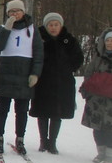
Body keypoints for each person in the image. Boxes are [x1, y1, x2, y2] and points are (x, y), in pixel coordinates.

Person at [0, 0, 44, 155]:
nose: (14, 14)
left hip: (24, 73)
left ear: (23, 12)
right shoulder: (3, 28)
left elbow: (38, 54)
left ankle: (20, 139)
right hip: (5, 72)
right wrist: (6, 29)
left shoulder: (33, 29)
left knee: (21, 110)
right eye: (11, 12)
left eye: (17, 11)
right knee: (2, 109)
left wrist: (35, 73)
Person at [29, 12, 84, 154]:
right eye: (50, 25)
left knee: (57, 113)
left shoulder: (69, 40)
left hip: (62, 82)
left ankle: (52, 142)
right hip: (43, 81)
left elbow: (78, 58)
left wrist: (67, 68)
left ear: (61, 25)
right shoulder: (38, 38)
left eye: (56, 25)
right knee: (42, 112)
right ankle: (43, 141)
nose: (53, 28)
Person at [80, 27, 112, 163]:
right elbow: (89, 72)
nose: (109, 43)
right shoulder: (98, 57)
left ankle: (110, 157)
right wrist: (87, 87)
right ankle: (101, 152)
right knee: (97, 127)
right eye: (107, 40)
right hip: (97, 99)